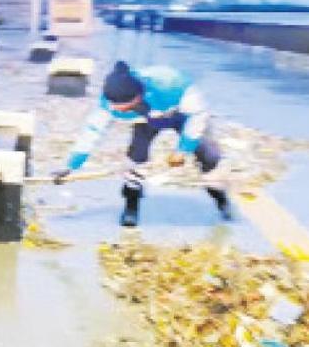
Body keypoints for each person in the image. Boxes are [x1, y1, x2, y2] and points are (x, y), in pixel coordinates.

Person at [52, 61, 232, 227]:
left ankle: (221, 201)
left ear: (138, 96)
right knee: (135, 158)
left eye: (123, 107)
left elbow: (198, 115)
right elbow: (92, 132)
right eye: (114, 106)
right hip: (148, 120)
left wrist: (183, 149)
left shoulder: (170, 84)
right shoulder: (108, 103)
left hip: (184, 115)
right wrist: (70, 166)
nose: (116, 110)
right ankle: (131, 207)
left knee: (208, 157)